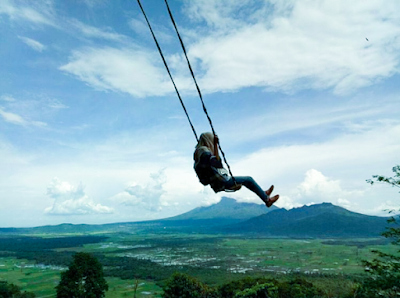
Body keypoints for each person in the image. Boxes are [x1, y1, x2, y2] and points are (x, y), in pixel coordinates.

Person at [194, 132, 279, 207]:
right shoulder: (203, 151)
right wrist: (216, 145)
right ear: (208, 140)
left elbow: (216, 162)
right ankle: (267, 200)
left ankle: (264, 194)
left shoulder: (199, 152)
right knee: (249, 180)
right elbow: (217, 163)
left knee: (248, 182)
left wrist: (216, 145)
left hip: (218, 181)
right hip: (222, 180)